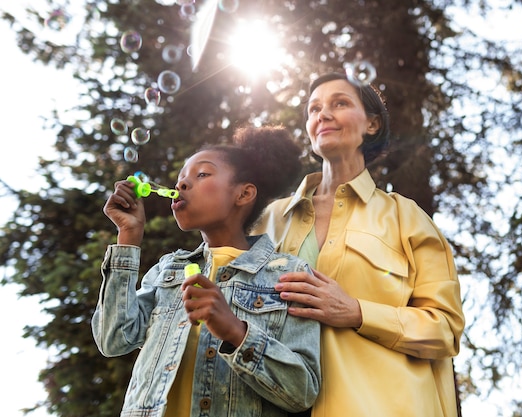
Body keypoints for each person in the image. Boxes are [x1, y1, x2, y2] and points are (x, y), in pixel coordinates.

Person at [253, 72, 465, 417]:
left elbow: (444, 329)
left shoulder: (406, 217)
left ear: (372, 124)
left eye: (340, 103)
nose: (323, 114)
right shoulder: (267, 219)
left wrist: (356, 311)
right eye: (314, 108)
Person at [92, 125, 321, 417]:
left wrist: (236, 332)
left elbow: (302, 392)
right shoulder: (168, 270)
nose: (183, 184)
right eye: (180, 179)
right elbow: (114, 339)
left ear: (244, 193)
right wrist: (128, 235)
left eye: (202, 174)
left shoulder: (288, 275)